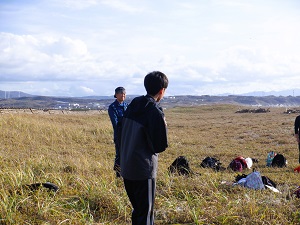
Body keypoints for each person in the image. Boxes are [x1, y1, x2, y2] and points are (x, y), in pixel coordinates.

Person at [119, 71, 168, 225]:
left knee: (138, 210)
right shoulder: (154, 111)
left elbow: (119, 132)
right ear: (162, 91)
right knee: (146, 213)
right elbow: (160, 146)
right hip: (143, 170)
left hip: (126, 167)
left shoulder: (134, 104)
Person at [108, 86, 128, 177]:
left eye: (124, 93)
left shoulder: (127, 106)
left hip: (128, 134)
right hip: (119, 135)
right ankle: (118, 175)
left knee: (128, 154)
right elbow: (115, 123)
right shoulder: (112, 107)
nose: (123, 95)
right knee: (119, 154)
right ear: (116, 95)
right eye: (121, 93)